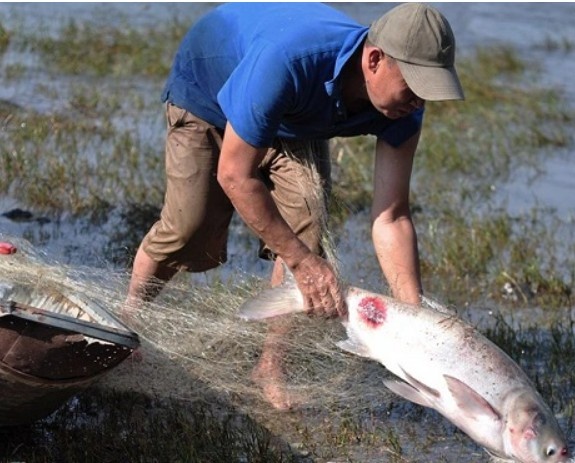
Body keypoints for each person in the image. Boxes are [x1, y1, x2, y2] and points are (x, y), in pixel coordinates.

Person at [125, 2, 464, 409]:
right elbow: (234, 174)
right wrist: (304, 264)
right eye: (414, 87)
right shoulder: (289, 62)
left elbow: (391, 215)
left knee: (306, 222)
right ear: (374, 60)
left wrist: (413, 317)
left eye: (428, 92)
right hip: (207, 91)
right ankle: (129, 320)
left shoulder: (404, 108)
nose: (418, 103)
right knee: (189, 226)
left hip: (290, 113)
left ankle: (270, 366)